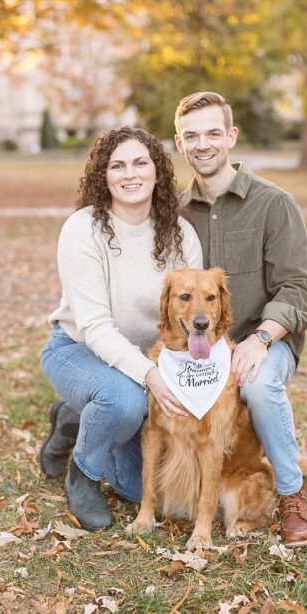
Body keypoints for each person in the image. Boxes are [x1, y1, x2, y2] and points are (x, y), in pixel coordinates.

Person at [38, 126, 203, 529]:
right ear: (104, 176)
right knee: (124, 400)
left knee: (140, 488)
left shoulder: (181, 236)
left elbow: (192, 314)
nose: (130, 174)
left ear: (157, 171)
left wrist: (180, 375)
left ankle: (75, 420)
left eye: (140, 163)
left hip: (151, 362)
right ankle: (84, 473)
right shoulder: (83, 229)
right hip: (78, 349)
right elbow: (94, 326)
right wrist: (149, 377)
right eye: (118, 165)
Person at [173, 91, 307, 545]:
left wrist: (260, 339)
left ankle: (292, 493)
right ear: (180, 145)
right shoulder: (175, 213)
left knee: (254, 383)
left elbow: (297, 287)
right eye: (191, 136)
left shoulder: (274, 204)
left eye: (213, 133)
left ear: (230, 136)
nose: (203, 144)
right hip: (197, 347)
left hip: (262, 341)